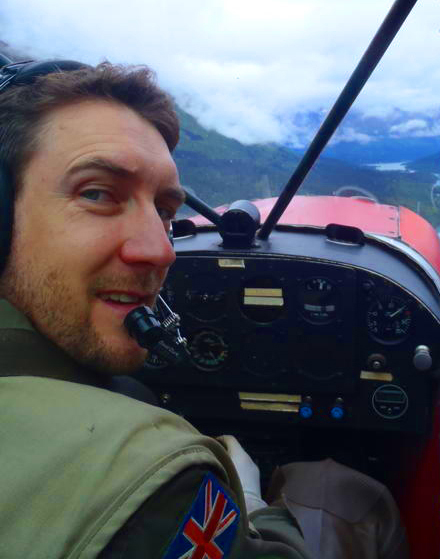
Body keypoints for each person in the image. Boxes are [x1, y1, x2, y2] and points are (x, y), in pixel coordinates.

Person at [0, 61, 312, 559]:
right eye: (98, 194)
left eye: (165, 211)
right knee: (344, 492)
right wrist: (250, 501)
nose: (161, 251)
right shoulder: (158, 476)